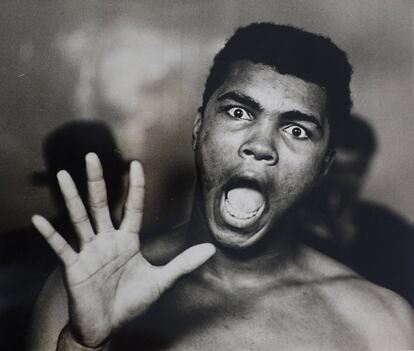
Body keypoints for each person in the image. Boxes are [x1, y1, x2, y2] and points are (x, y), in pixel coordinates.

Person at [29, 23, 414, 350]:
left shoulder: (381, 326)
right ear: (199, 129)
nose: (260, 146)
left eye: (296, 130)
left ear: (324, 164)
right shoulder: (87, 289)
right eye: (239, 112)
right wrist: (84, 343)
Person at [0, 120, 128, 351]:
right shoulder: (10, 255)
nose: (95, 187)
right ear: (57, 189)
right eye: (79, 178)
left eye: (105, 175)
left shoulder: (152, 254)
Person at [302, 115, 414, 306]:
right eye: (334, 168)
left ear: (365, 169)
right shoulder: (282, 231)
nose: (341, 181)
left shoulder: (390, 227)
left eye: (353, 170)